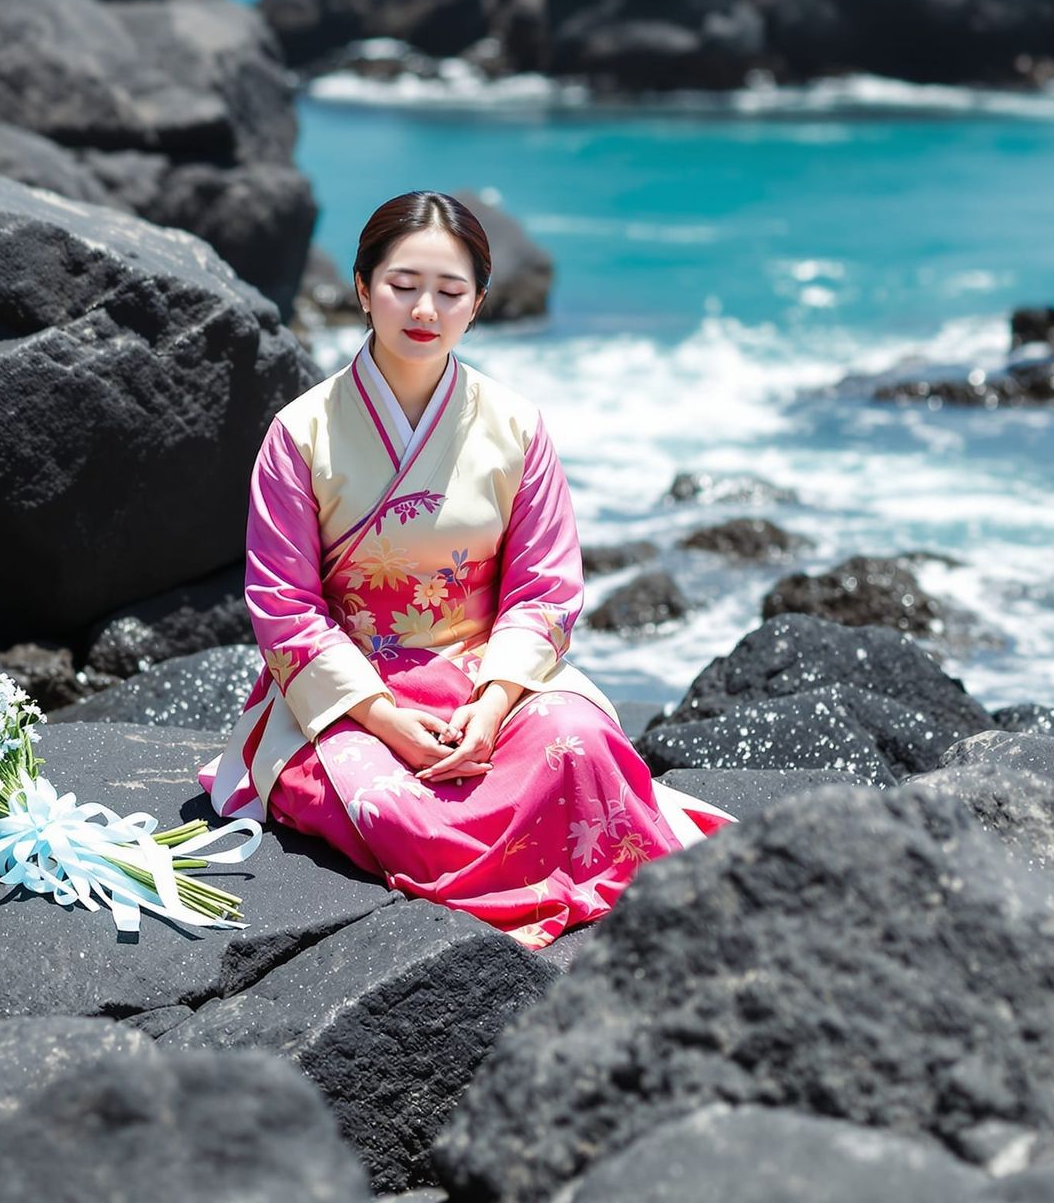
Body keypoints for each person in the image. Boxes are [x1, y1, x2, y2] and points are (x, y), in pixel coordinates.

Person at [199, 191, 734, 947]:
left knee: (582, 746)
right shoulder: (301, 432)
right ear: (362, 287)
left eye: (450, 292)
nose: (425, 309)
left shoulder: (515, 425)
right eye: (401, 284)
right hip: (349, 690)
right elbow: (284, 606)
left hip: (485, 678)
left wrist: (488, 709)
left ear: (477, 303)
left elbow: (544, 586)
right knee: (393, 809)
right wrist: (387, 721)